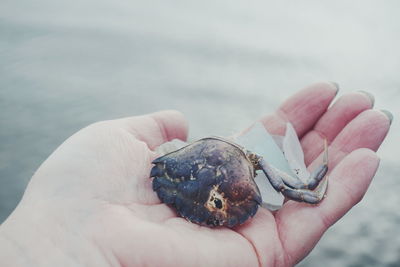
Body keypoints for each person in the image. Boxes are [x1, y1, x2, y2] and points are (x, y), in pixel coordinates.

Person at [0, 82, 392, 266]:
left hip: (233, 159)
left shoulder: (206, 157)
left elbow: (304, 191)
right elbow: (302, 189)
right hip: (225, 158)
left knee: (309, 191)